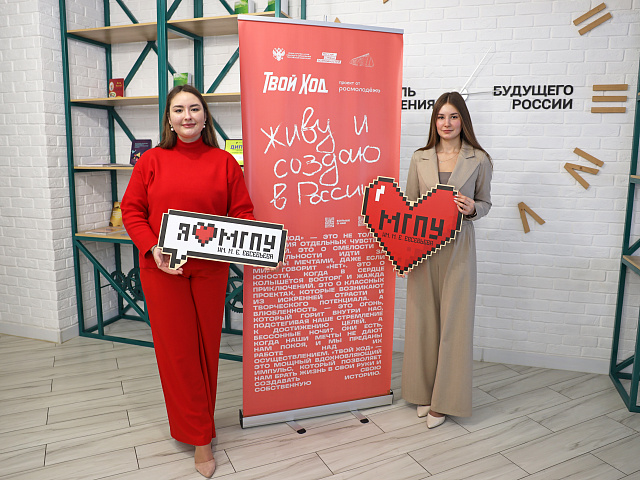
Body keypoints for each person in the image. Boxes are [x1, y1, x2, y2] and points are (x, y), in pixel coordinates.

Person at [121, 85, 254, 478]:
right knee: (178, 353)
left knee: (205, 350)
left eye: (194, 108)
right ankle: (200, 438)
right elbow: (132, 211)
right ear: (169, 118)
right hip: (163, 269)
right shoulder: (150, 161)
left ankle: (200, 425)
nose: (187, 116)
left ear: (205, 115)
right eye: (178, 110)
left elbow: (242, 213)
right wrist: (152, 248)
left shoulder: (224, 162)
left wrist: (260, 243)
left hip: (210, 269)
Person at [401, 91, 492, 429]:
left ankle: (446, 400)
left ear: (463, 120)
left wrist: (473, 208)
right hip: (422, 247)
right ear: (434, 121)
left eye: (453, 116)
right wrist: (404, 252)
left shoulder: (479, 158)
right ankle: (422, 392)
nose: (447, 123)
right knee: (422, 320)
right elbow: (408, 205)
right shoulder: (420, 157)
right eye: (441, 117)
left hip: (458, 248)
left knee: (455, 322)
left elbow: (485, 202)